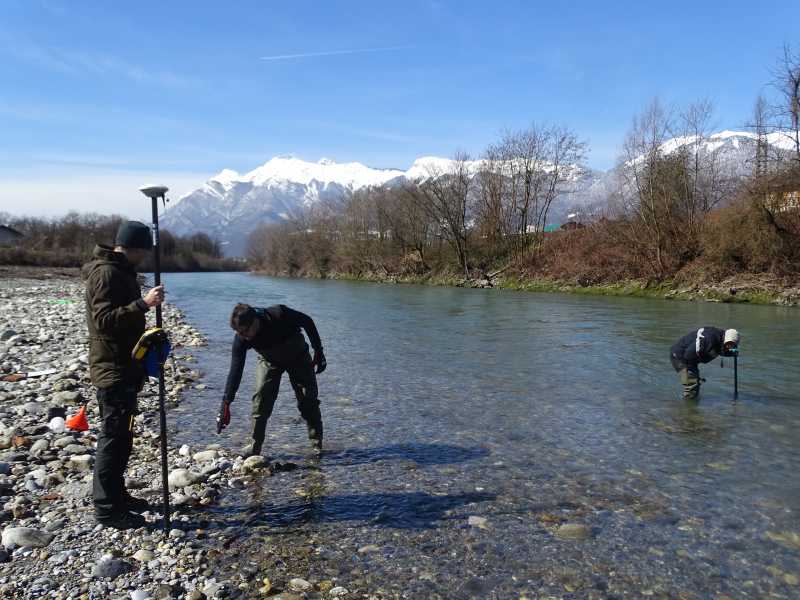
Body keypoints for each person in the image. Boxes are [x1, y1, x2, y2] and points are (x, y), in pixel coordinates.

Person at [83, 221, 164, 529]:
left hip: (125, 366)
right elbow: (103, 321)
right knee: (113, 437)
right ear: (133, 248)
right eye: (143, 251)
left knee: (124, 434)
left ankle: (118, 495)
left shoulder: (120, 271)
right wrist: (143, 304)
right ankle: (106, 508)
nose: (145, 257)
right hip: (113, 369)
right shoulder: (106, 273)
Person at [217, 303, 326, 457]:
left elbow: (307, 321)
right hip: (269, 360)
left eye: (245, 331)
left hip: (298, 356)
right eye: (238, 333)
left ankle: (317, 446)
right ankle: (255, 448)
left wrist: (319, 351)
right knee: (260, 398)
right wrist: (226, 402)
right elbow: (236, 370)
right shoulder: (242, 339)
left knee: (308, 400)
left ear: (255, 320)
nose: (243, 336)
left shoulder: (279, 314)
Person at [670, 327, 739, 401]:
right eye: (728, 344)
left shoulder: (720, 339)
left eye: (732, 345)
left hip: (690, 357)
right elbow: (688, 355)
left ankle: (690, 403)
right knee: (692, 387)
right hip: (680, 356)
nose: (729, 347)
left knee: (694, 385)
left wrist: (732, 352)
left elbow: (720, 350)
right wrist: (693, 376)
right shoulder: (709, 339)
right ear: (725, 338)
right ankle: (689, 409)